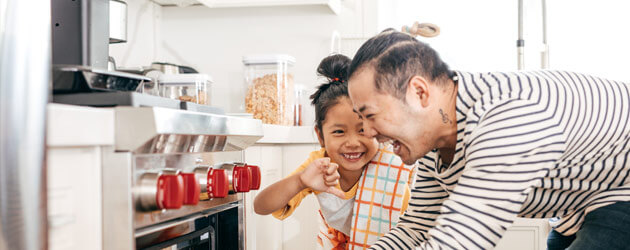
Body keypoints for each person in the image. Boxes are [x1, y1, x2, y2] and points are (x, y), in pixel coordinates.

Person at [346, 29, 630, 250]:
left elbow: (461, 239)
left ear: (419, 94)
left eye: (370, 115)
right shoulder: (437, 141)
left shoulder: (504, 119)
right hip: (580, 203)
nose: (368, 132)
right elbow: (417, 229)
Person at [254, 54, 414, 250]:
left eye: (362, 130)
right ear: (320, 136)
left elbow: (413, 226)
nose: (353, 143)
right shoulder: (320, 165)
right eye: (339, 132)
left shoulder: (391, 164)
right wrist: (300, 181)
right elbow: (261, 206)